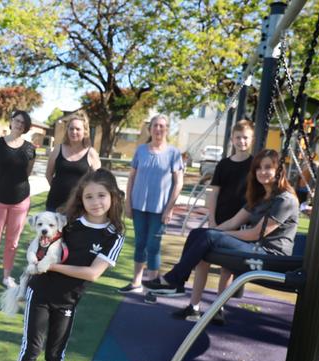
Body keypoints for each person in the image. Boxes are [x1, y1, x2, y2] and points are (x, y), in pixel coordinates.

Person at [144, 149, 299, 324]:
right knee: (198, 233)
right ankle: (177, 283)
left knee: (209, 236)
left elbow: (256, 233)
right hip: (255, 249)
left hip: (270, 256)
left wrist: (216, 235)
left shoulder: (285, 200)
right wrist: (213, 232)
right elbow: (233, 222)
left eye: (268, 167)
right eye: (258, 168)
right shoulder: (260, 198)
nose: (262, 172)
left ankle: (173, 280)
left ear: (279, 169)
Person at [17, 169, 125, 361]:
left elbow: (92, 274)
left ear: (113, 196)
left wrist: (51, 266)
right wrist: (37, 260)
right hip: (41, 292)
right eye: (89, 197)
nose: (95, 202)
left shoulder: (113, 235)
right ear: (80, 198)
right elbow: (39, 245)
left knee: (55, 355)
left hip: (68, 300)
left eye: (101, 195)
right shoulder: (67, 221)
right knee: (31, 349)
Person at [178, 119, 254, 323]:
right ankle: (193, 306)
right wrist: (211, 219)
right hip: (218, 219)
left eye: (245, 137)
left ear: (251, 139)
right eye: (238, 137)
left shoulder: (254, 165)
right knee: (202, 261)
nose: (242, 141)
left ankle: (218, 308)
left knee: (226, 268)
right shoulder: (223, 164)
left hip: (239, 223)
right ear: (232, 139)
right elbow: (214, 193)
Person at [120, 114, 184, 293]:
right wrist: (128, 202)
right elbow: (132, 177)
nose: (158, 129)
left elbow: (178, 183)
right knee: (140, 243)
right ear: (150, 129)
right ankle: (136, 283)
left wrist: (169, 208)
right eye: (155, 125)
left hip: (160, 209)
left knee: (153, 245)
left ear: (167, 130)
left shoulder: (174, 153)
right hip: (138, 206)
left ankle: (153, 285)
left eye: (162, 126)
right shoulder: (140, 150)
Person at [0, 110, 36, 289]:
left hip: (20, 201)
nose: (19, 124)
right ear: (11, 122)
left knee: (12, 242)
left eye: (23, 123)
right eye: (17, 120)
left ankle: (6, 276)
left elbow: (26, 173)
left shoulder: (29, 148)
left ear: (26, 127)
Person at [45, 111, 101, 212]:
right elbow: (48, 174)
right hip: (55, 204)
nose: (74, 132)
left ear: (85, 131)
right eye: (71, 129)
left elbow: (98, 180)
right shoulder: (58, 149)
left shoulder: (91, 153)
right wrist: (58, 189)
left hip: (79, 207)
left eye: (78, 129)